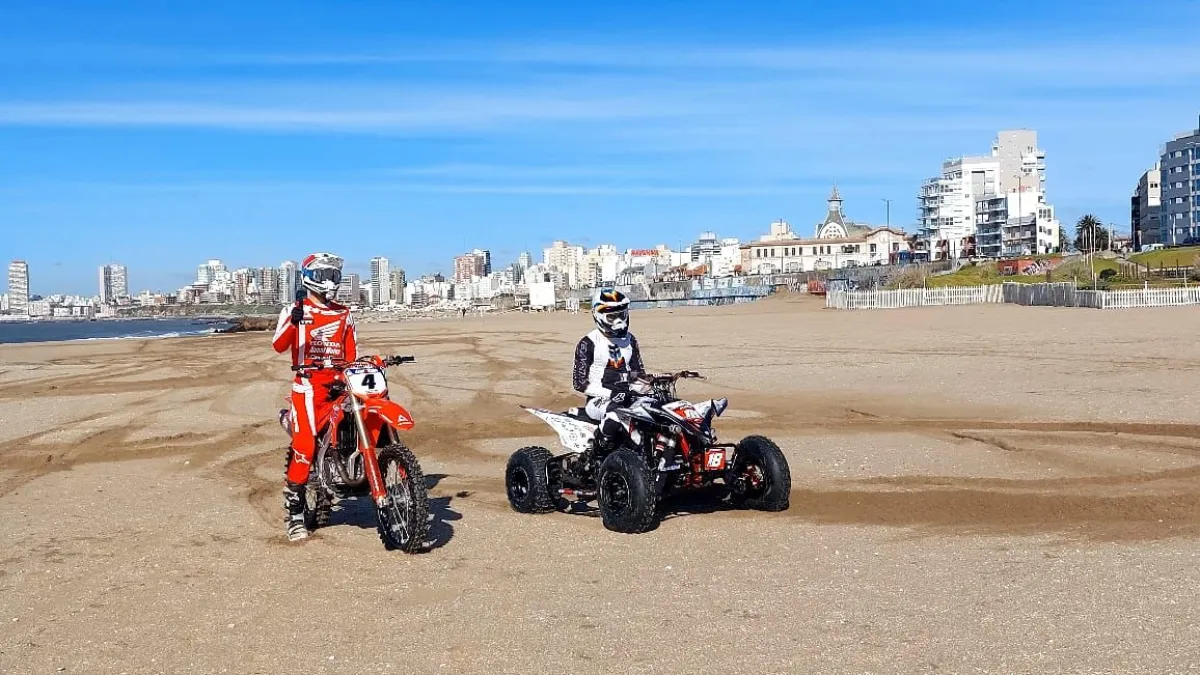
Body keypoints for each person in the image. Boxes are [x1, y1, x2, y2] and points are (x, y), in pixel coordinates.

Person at [271, 252, 357, 541]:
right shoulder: (295, 309)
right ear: (309, 278)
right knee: (305, 447)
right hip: (308, 387)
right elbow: (279, 346)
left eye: (334, 276)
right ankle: (294, 513)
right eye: (324, 276)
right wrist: (293, 322)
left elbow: (352, 354)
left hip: (337, 383)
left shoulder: (344, 312)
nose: (330, 282)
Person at [572, 288, 647, 455]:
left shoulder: (630, 340)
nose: (619, 320)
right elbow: (579, 382)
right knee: (617, 414)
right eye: (612, 316)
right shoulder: (588, 342)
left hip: (628, 396)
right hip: (598, 400)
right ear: (598, 316)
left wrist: (650, 386)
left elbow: (639, 374)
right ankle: (597, 452)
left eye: (622, 314)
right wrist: (610, 393)